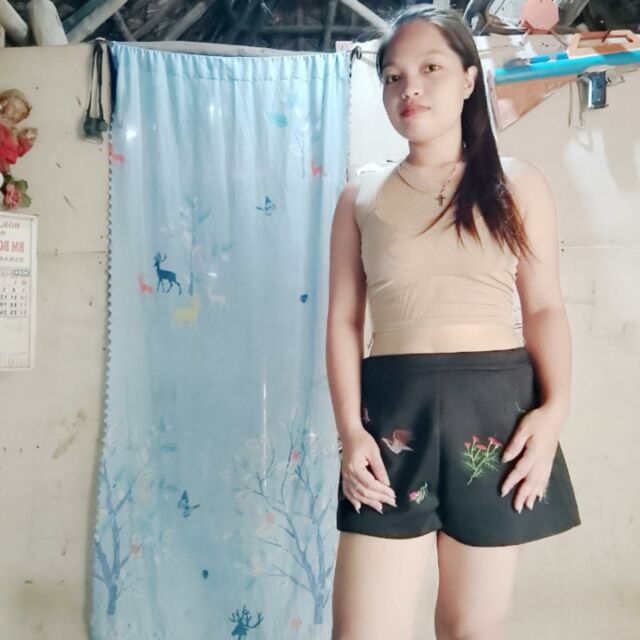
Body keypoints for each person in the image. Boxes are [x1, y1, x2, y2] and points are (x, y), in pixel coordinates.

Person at [325, 6, 581, 640]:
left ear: (469, 78)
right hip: (392, 418)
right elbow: (344, 320)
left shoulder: (518, 184)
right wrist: (351, 433)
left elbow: (544, 308)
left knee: (471, 630)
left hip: (496, 417)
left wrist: (554, 413)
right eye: (393, 76)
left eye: (430, 69)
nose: (408, 88)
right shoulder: (360, 196)